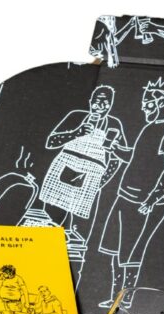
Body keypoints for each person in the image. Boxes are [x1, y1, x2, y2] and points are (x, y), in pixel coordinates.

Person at [94, 78, 164, 307]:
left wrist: (151, 200)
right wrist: (115, 148)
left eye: (148, 105)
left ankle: (126, 299)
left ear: (162, 101)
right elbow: (138, 158)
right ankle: (116, 296)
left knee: (130, 253)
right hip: (125, 196)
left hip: (143, 203)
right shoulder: (153, 125)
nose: (144, 109)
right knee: (116, 250)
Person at [38, 86, 126, 250]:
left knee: (78, 222)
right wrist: (76, 133)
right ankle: (46, 248)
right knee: (53, 214)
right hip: (64, 165)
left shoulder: (114, 125)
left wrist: (102, 180)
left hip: (92, 173)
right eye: (97, 101)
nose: (101, 106)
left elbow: (117, 159)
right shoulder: (76, 116)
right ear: (90, 102)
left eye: (106, 102)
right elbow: (50, 142)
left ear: (111, 105)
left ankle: (71, 254)